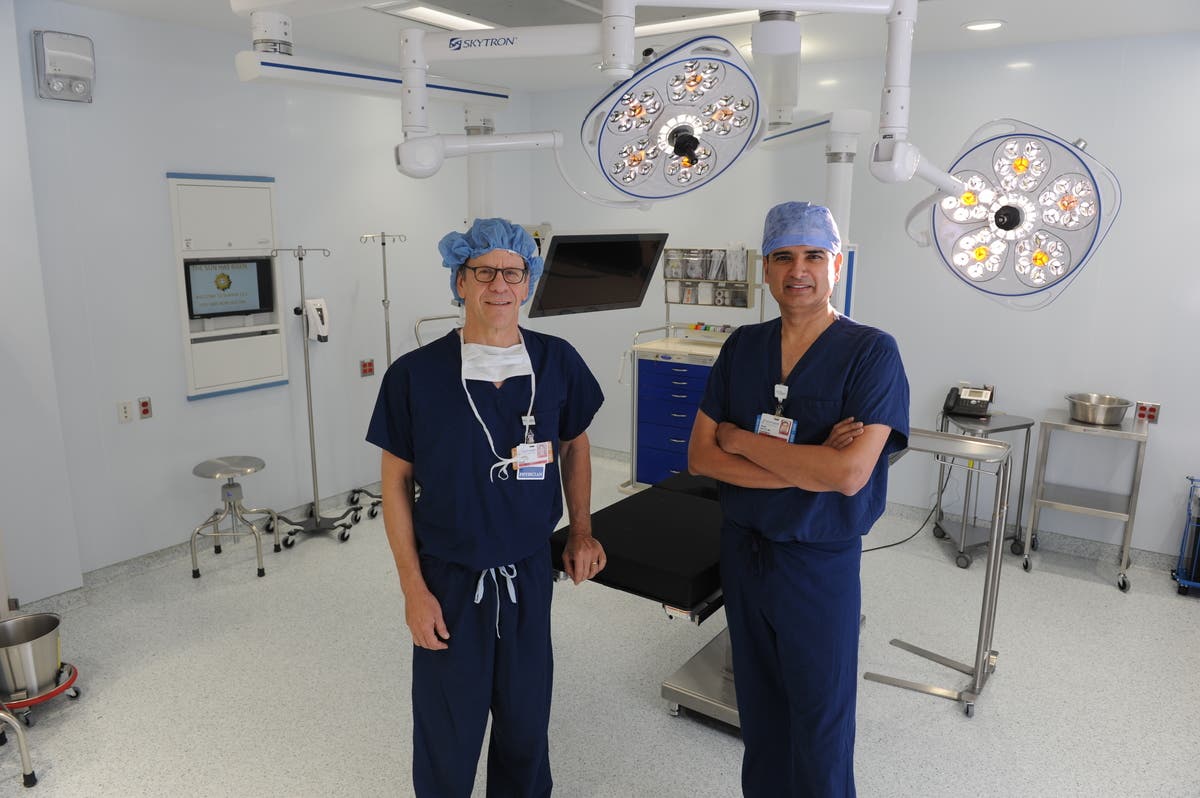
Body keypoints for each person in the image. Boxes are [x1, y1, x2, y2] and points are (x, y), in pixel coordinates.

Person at [366, 217, 606, 798]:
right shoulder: (415, 376)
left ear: (528, 283)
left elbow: (575, 444)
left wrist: (581, 531)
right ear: (460, 281)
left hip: (528, 571)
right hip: (449, 579)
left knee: (525, 723)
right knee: (448, 732)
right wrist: (413, 590)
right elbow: (394, 483)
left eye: (513, 273)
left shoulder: (557, 361)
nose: (499, 285)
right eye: (484, 272)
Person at [687, 202, 910, 798]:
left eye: (814, 256)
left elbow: (849, 475)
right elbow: (701, 457)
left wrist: (741, 441)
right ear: (766, 269)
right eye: (783, 257)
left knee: (820, 720)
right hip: (744, 553)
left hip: (817, 561)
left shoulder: (872, 353)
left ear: (836, 266)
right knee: (759, 714)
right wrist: (809, 465)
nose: (798, 270)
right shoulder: (743, 346)